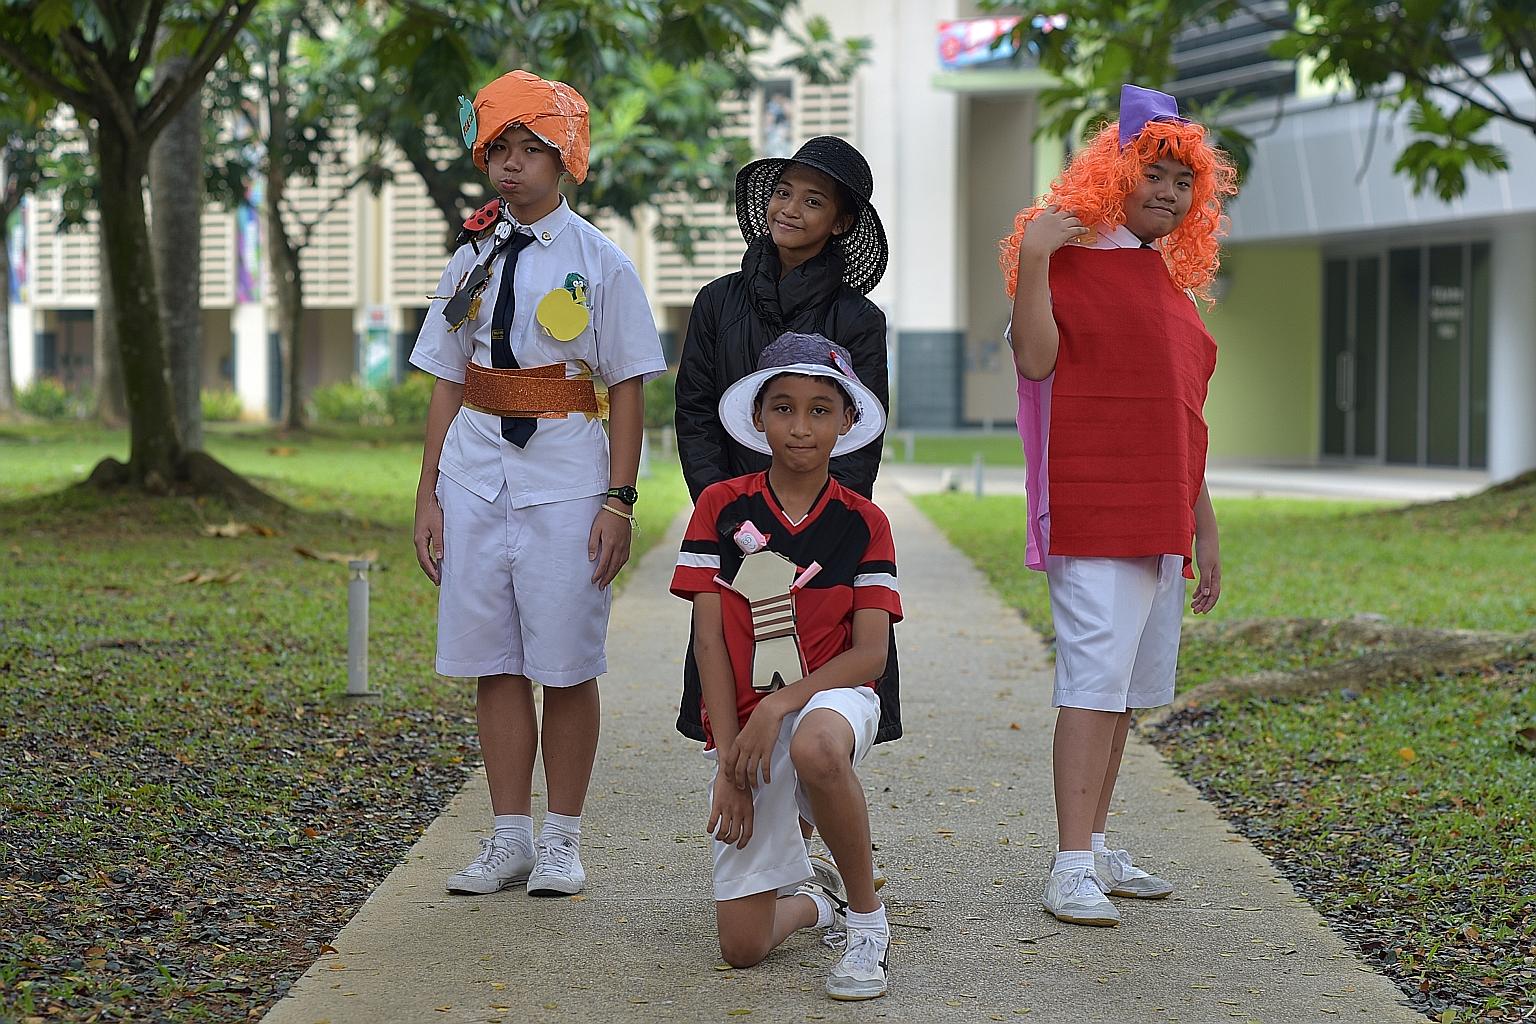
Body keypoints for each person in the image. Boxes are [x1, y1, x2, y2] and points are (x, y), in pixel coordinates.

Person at [409, 70, 666, 899]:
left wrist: (618, 499)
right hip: (475, 475)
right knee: (495, 660)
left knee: (566, 662)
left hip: (564, 476)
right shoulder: (469, 257)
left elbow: (627, 384)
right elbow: (447, 377)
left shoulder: (601, 263)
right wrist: (428, 497)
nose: (513, 167)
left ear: (566, 160)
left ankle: (563, 839)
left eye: (532, 150)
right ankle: (509, 834)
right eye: (501, 151)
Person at [998, 85, 1238, 927]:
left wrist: (1204, 530)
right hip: (1095, 505)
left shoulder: (1171, 288)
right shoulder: (1066, 261)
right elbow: (1034, 363)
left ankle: (1094, 847)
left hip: (1162, 517)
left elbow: (1183, 423)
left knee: (1128, 692)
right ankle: (1067, 865)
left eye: (1184, 182)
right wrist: (1032, 258)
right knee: (1091, 686)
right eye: (1154, 172)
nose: (1169, 192)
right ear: (1114, 171)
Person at [673, 136, 901, 823]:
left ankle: (810, 849)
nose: (790, 208)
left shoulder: (859, 321)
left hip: (827, 545)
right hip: (736, 535)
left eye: (813, 200)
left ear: (840, 223)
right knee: (737, 677)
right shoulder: (716, 303)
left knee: (816, 701)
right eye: (782, 192)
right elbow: (694, 412)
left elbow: (861, 440)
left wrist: (815, 532)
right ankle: (761, 838)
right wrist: (736, 524)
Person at [670, 333, 901, 1001]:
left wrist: (778, 705)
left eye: (821, 410)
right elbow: (709, 642)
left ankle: (867, 923)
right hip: (747, 721)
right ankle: (819, 904)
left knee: (816, 744)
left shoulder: (865, 522)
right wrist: (728, 760)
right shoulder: (720, 508)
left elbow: (871, 656)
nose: (801, 427)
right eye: (784, 408)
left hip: (837, 696)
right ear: (759, 417)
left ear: (847, 421)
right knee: (741, 949)